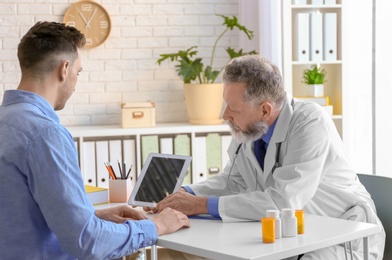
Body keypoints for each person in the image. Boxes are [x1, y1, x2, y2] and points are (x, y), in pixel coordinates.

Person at [155, 55, 385, 259]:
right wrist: (189, 193)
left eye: (232, 108)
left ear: (265, 110)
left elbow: (283, 201)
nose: (225, 115)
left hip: (343, 235)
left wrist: (201, 204)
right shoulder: (249, 127)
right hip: (295, 234)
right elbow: (234, 182)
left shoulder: (310, 122)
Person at [0, 21, 190, 260]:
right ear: (64, 69)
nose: (76, 83)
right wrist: (156, 226)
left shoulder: (7, 121)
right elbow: (87, 242)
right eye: (78, 73)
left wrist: (92, 215)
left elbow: (21, 218)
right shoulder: (44, 134)